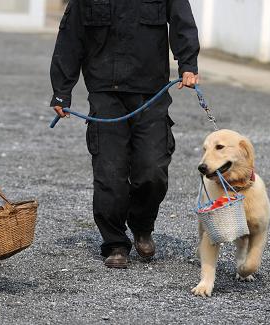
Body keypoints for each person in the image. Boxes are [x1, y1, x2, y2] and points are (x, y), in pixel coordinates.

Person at [50, 0, 200, 268]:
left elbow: (182, 20)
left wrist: (188, 63)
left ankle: (142, 225)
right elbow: (70, 36)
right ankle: (115, 242)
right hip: (105, 92)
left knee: (153, 170)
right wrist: (62, 90)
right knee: (110, 173)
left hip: (150, 92)